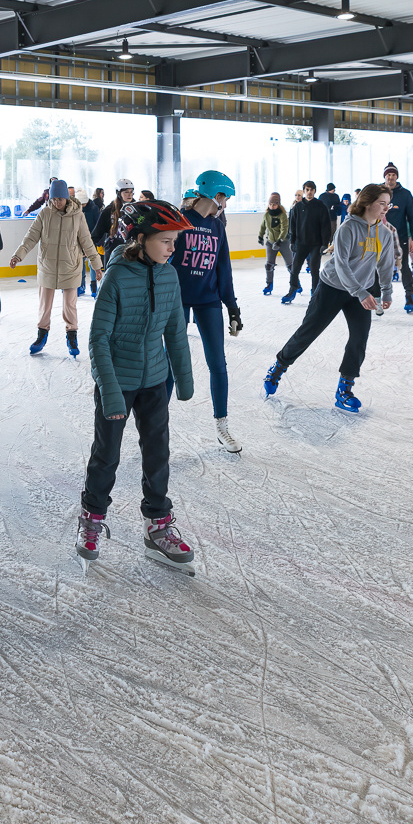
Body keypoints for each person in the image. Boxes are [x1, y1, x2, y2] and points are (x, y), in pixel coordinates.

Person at [76, 197, 196, 571]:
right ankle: (91, 519)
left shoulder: (169, 275)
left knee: (158, 453)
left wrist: (184, 378)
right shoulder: (117, 277)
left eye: (175, 241)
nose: (172, 248)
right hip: (118, 379)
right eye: (166, 241)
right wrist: (110, 391)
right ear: (140, 239)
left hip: (155, 380)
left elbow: (176, 331)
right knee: (107, 454)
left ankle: (157, 526)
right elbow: (98, 339)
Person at [265, 184, 394, 412]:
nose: (386, 208)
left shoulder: (384, 233)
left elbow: (385, 264)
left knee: (359, 339)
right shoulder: (348, 228)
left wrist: (386, 291)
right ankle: (278, 367)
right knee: (308, 332)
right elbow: (342, 265)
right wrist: (361, 292)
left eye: (388, 204)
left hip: (360, 291)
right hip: (332, 287)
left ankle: (344, 389)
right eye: (381, 203)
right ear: (367, 203)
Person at [168, 169, 242, 452]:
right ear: (216, 195)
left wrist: (232, 308)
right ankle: (156, 423)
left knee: (217, 363)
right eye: (225, 198)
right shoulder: (179, 220)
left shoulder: (217, 227)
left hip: (208, 300)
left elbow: (224, 269)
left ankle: (222, 425)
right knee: (171, 361)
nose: (225, 205)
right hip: (177, 300)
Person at [16, 177, 99, 358]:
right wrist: (18, 255)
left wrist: (97, 265)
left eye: (60, 199)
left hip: (71, 266)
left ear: (66, 198)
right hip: (47, 266)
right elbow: (31, 237)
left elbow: (86, 241)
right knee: (44, 305)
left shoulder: (78, 215)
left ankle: (72, 336)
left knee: (70, 305)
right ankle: (41, 336)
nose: (56, 202)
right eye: (54, 199)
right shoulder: (45, 214)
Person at [283, 179, 333, 301]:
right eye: (307, 190)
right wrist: (292, 241)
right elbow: (292, 225)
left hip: (316, 244)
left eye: (311, 190)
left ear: (315, 191)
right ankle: (292, 290)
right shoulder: (298, 207)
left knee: (314, 270)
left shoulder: (321, 206)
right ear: (304, 191)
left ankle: (315, 292)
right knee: (295, 269)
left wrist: (324, 244)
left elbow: (326, 226)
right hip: (301, 243)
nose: (309, 192)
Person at [380, 163, 413, 312]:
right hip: (378, 237)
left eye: (393, 175)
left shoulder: (405, 194)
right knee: (376, 268)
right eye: (388, 175)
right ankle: (376, 297)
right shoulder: (377, 192)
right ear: (384, 176)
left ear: (396, 177)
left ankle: (409, 295)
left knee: (404, 266)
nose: (390, 178)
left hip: (400, 237)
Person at [258, 191, 293, 294]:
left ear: (278, 204)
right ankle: (269, 284)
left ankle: (296, 283)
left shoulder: (282, 215)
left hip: (283, 242)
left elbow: (284, 229)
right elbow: (263, 226)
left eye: (274, 204)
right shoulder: (266, 215)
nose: (272, 206)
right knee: (269, 265)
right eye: (270, 204)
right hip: (270, 242)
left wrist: (279, 240)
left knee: (290, 266)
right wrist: (260, 236)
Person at [81, 187, 106, 295]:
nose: (82, 206)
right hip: (81, 239)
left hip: (92, 238)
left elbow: (98, 224)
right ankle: (80, 285)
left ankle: (93, 286)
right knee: (81, 262)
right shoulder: (76, 209)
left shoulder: (93, 208)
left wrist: (97, 239)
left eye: (84, 203)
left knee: (93, 262)